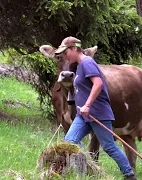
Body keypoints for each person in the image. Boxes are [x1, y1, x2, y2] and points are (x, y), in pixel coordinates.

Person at [55, 36, 137, 180]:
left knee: (109, 147)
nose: (65, 56)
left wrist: (87, 105)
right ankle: (81, 171)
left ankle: (129, 175)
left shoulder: (87, 63)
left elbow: (98, 84)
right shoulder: (80, 66)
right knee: (69, 142)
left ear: (74, 49)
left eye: (66, 52)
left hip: (97, 113)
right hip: (83, 116)